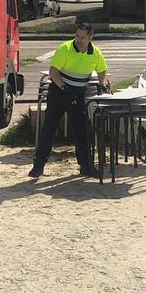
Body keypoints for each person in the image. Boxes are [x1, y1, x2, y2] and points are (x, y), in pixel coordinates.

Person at [30, 22, 109, 178]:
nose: (79, 40)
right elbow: (53, 71)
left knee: (82, 130)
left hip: (79, 94)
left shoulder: (96, 53)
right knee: (49, 128)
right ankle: (38, 166)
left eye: (83, 37)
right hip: (59, 91)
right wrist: (64, 88)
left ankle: (85, 166)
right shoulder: (65, 48)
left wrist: (102, 85)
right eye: (77, 36)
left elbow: (102, 70)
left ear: (90, 38)